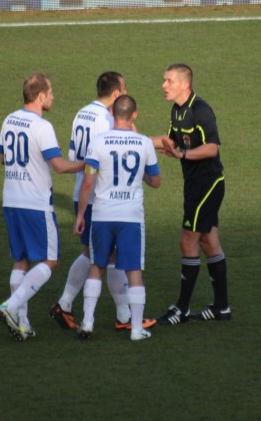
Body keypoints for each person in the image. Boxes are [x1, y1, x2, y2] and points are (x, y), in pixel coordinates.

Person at [49, 72, 155, 333]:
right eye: (124, 89)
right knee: (100, 256)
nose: (126, 92)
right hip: (99, 196)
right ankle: (72, 305)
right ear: (116, 94)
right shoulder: (107, 119)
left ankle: (116, 313)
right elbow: (121, 147)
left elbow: (77, 155)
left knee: (99, 254)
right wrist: (154, 143)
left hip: (82, 191)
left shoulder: (82, 113)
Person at [0, 73, 86, 341]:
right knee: (51, 260)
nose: (53, 97)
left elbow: (2, 157)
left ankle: (22, 324)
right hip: (35, 203)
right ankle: (10, 306)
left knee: (20, 260)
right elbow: (59, 166)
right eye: (51, 92)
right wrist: (88, 164)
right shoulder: (42, 126)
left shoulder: (9, 119)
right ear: (40, 96)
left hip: (11, 200)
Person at [75, 95, 161, 341]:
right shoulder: (145, 143)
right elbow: (156, 181)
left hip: (102, 214)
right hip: (130, 217)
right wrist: (141, 174)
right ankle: (136, 329)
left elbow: (88, 182)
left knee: (97, 266)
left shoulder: (98, 142)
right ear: (134, 115)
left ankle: (87, 323)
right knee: (134, 271)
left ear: (112, 112)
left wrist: (81, 214)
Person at [152, 63, 231, 325]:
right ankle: (221, 308)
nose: (164, 85)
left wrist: (182, 155)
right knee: (209, 241)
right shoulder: (177, 110)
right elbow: (171, 142)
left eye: (169, 81)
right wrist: (137, 140)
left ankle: (182, 309)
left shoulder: (201, 110)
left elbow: (212, 148)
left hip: (207, 185)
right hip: (194, 184)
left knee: (187, 241)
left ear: (184, 84)